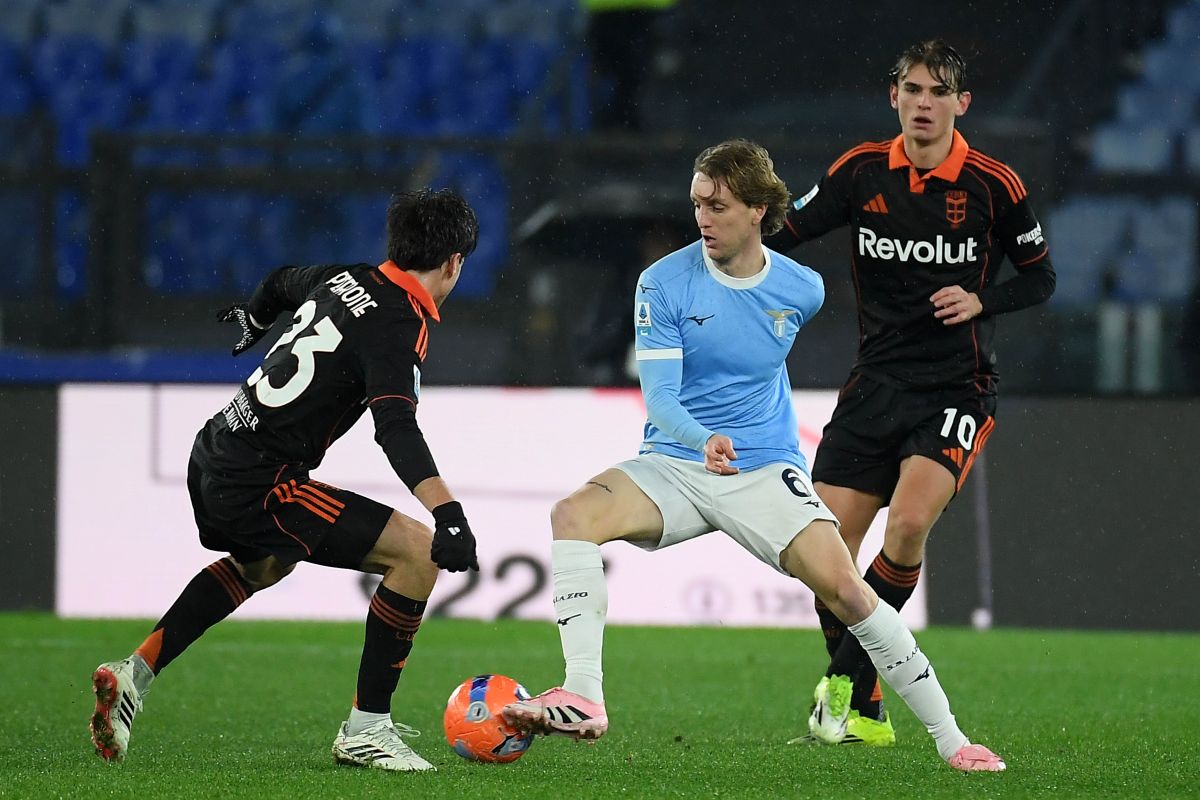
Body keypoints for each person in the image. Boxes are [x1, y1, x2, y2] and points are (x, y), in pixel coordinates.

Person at [502, 139, 1006, 772]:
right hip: (677, 460)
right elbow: (658, 398)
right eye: (697, 204)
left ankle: (951, 739)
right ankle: (583, 694)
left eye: (718, 205)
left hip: (765, 467)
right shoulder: (662, 282)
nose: (703, 218)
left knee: (850, 592)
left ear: (760, 210)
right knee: (572, 515)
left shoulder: (803, 289)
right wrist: (699, 440)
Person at [87, 189, 482, 773]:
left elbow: (280, 280)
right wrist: (448, 512)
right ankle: (367, 730)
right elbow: (394, 426)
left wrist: (255, 313)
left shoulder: (347, 277)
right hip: (259, 480)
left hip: (216, 446)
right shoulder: (401, 323)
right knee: (418, 556)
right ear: (453, 262)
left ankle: (133, 675)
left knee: (266, 565)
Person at [763, 39, 1056, 746]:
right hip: (874, 386)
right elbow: (786, 234)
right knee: (820, 554)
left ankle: (841, 683)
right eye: (912, 90)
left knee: (907, 526)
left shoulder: (995, 185)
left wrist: (982, 302)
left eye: (937, 92)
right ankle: (863, 704)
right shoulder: (860, 172)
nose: (923, 104)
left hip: (957, 388)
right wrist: (726, 236)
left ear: (962, 103)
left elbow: (1041, 278)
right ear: (893, 96)